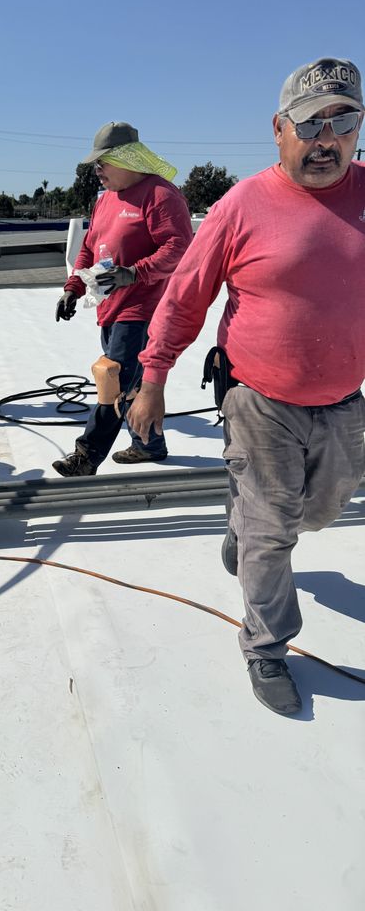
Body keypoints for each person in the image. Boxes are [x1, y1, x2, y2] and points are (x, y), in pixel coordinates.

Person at [128, 57, 365, 716]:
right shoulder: (243, 204)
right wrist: (152, 381)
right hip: (259, 400)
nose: (327, 138)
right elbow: (182, 299)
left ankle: (244, 526)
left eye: (344, 120)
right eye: (310, 123)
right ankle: (266, 648)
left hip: (344, 400)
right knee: (272, 533)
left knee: (317, 512)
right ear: (278, 130)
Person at [52, 122, 193, 476]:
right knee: (130, 382)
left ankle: (87, 455)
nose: (97, 170)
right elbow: (88, 248)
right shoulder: (106, 199)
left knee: (111, 378)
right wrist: (74, 287)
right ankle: (149, 444)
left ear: (127, 158)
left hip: (144, 306)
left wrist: (135, 272)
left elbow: (179, 247)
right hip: (110, 306)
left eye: (103, 163)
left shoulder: (161, 195)